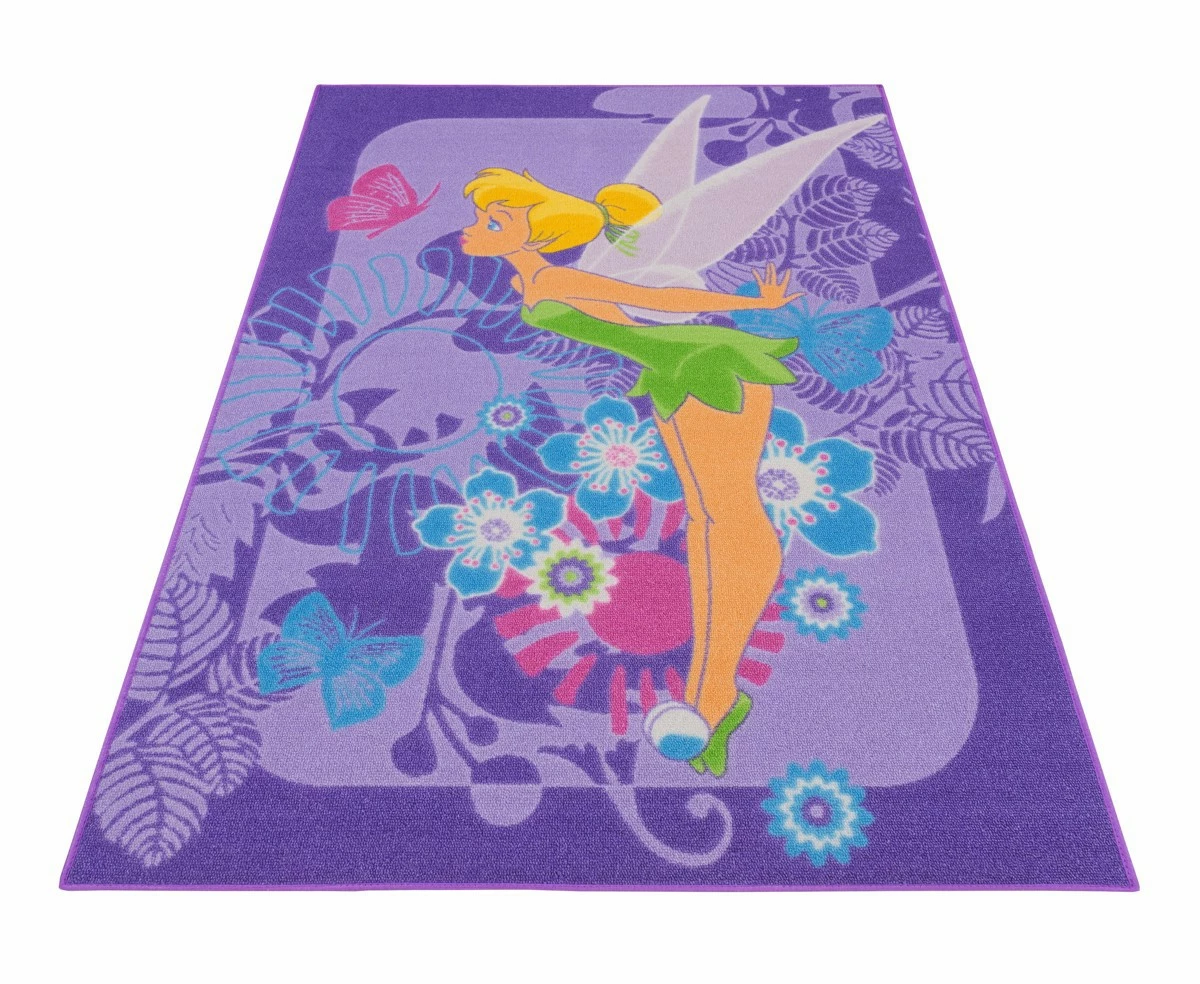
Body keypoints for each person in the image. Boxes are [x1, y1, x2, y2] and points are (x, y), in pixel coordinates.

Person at [460, 167, 801, 776]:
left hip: (706, 364)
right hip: (671, 371)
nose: (473, 229)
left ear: (537, 233)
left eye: (494, 220)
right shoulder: (534, 278)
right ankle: (710, 693)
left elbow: (659, 303)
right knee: (705, 518)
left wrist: (753, 304)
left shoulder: (554, 278)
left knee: (728, 511)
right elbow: (628, 314)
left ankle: (716, 694)